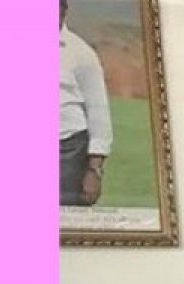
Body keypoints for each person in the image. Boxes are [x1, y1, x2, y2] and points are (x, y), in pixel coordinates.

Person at [59, 0, 112, 206]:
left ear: (63, 10)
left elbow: (98, 109)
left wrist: (94, 170)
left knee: (65, 217)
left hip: (68, 149)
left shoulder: (81, 53)